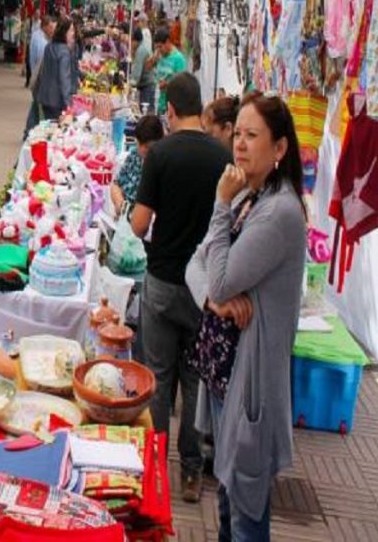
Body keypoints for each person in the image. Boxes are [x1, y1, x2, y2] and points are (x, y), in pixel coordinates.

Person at [185, 93, 306, 539]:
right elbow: (195, 267)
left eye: (252, 135)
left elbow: (216, 277)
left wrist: (219, 205)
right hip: (225, 378)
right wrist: (214, 303)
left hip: (249, 386)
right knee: (228, 501)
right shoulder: (250, 198)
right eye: (237, 133)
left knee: (247, 516)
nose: (239, 144)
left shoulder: (278, 212)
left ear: (279, 149)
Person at [129, 72, 231, 503]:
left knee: (157, 376)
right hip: (204, 287)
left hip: (164, 281)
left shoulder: (161, 154)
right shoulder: (220, 158)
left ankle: (153, 465)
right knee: (193, 381)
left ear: (169, 110)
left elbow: (139, 223)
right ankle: (191, 472)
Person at [110, 114, 164, 215]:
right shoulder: (135, 155)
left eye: (148, 147)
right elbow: (116, 184)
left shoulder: (163, 169)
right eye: (139, 144)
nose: (142, 150)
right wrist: (120, 204)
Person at [33, 17, 78, 122]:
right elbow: (64, 79)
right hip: (57, 100)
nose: (73, 33)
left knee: (48, 125)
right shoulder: (64, 52)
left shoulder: (49, 46)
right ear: (64, 32)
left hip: (45, 97)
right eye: (71, 30)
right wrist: (68, 104)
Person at [145, 26, 187, 115]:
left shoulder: (178, 59)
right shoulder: (159, 54)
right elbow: (147, 68)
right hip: (158, 102)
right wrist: (153, 59)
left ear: (168, 42)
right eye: (156, 47)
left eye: (160, 47)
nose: (159, 50)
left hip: (171, 105)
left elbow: (181, 83)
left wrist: (167, 84)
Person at [129, 25, 156, 113]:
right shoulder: (142, 47)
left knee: (145, 113)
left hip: (147, 85)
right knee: (148, 111)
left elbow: (137, 72)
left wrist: (130, 85)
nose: (131, 44)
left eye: (131, 41)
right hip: (147, 84)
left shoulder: (141, 51)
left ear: (135, 41)